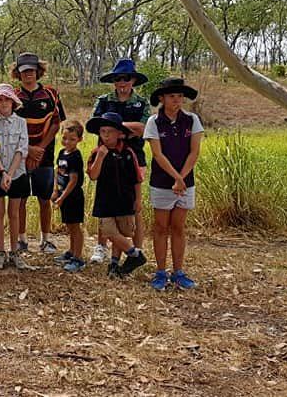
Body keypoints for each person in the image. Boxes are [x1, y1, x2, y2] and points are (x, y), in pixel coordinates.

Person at [144, 78, 203, 291]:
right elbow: (157, 154)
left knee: (178, 227)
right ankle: (160, 272)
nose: (176, 100)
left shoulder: (191, 120)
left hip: (186, 183)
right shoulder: (154, 122)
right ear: (162, 98)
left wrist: (182, 178)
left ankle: (178, 272)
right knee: (160, 227)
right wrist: (176, 178)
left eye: (180, 96)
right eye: (171, 96)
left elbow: (194, 151)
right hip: (162, 182)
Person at [89, 59, 151, 264]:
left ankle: (137, 249)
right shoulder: (103, 100)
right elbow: (95, 124)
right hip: (106, 156)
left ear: (133, 80)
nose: (122, 82)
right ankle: (101, 246)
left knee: (134, 206)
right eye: (118, 79)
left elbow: (144, 128)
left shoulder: (142, 102)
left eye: (126, 78)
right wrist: (121, 131)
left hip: (133, 157)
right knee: (105, 202)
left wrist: (116, 126)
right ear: (113, 81)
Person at [12, 53, 66, 254]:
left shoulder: (51, 94)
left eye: (32, 70)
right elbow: (11, 127)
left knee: (44, 199)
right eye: (24, 71)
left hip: (45, 155)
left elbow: (55, 123)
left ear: (38, 71)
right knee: (21, 199)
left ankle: (46, 239)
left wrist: (40, 149)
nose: (28, 74)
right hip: (20, 155)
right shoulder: (14, 96)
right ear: (18, 73)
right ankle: (21, 239)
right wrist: (27, 151)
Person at [86, 112, 147, 279]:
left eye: (110, 131)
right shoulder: (96, 152)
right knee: (109, 231)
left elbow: (137, 179)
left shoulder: (128, 153)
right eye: (103, 131)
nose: (106, 135)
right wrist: (100, 155)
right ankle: (135, 254)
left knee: (123, 231)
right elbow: (93, 176)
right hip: (105, 201)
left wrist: (138, 199)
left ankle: (114, 263)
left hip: (125, 200)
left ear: (119, 133)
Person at [0, 84, 31, 270]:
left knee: (14, 213)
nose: (3, 103)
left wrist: (10, 174)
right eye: (0, 100)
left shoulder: (21, 122)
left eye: (7, 99)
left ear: (13, 101)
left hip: (17, 174)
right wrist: (3, 172)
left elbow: (22, 149)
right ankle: (1, 252)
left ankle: (15, 252)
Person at [52, 120, 86, 272]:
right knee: (69, 226)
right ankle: (71, 252)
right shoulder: (61, 153)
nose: (67, 142)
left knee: (75, 227)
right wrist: (55, 190)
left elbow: (73, 180)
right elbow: (57, 171)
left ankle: (78, 258)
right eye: (65, 138)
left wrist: (62, 197)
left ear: (79, 139)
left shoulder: (76, 156)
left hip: (73, 196)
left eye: (72, 139)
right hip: (62, 194)